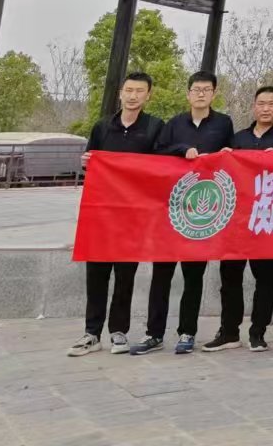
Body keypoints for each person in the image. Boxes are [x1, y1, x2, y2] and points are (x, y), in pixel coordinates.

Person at [132, 70, 234, 356]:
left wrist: (228, 154)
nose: (201, 94)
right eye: (196, 89)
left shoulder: (223, 123)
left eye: (206, 89)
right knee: (161, 276)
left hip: (202, 213)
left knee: (193, 276)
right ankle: (154, 333)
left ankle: (187, 332)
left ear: (214, 94)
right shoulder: (174, 124)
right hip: (172, 210)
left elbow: (233, 156)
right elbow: (159, 152)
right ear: (188, 94)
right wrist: (184, 149)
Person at [68, 70, 163, 357]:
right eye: (129, 90)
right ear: (121, 93)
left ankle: (118, 331)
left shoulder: (155, 127)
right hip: (101, 213)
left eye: (139, 91)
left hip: (133, 216)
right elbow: (90, 162)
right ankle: (92, 332)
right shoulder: (102, 127)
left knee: (125, 275)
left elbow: (160, 167)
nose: (133, 96)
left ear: (148, 95)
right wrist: (86, 161)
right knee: (96, 275)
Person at [204, 85, 273, 354]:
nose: (266, 108)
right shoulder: (238, 138)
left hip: (267, 218)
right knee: (230, 278)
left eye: (271, 104)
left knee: (265, 279)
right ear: (253, 107)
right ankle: (229, 332)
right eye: (261, 103)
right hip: (236, 219)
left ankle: (258, 332)